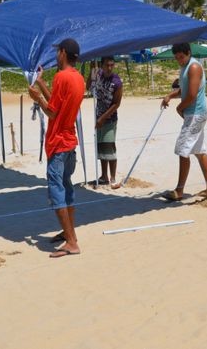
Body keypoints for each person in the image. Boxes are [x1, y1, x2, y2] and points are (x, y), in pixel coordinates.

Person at [28, 38, 85, 258]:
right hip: (69, 142)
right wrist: (42, 84)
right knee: (67, 186)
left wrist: (37, 97)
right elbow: (58, 106)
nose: (56, 55)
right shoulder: (77, 78)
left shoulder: (62, 77)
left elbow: (52, 112)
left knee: (56, 190)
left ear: (63, 53)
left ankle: (71, 242)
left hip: (59, 142)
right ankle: (69, 233)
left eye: (57, 51)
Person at [161, 42, 207, 201]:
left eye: (181, 57)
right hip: (194, 114)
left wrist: (179, 108)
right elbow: (184, 90)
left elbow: (191, 95)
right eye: (177, 58)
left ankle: (179, 190)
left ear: (188, 53)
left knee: (182, 149)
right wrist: (170, 95)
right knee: (198, 151)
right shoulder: (185, 67)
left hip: (195, 114)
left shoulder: (194, 67)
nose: (179, 60)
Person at [86, 56, 123, 187]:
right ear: (102, 65)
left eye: (112, 65)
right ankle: (103, 176)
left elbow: (116, 104)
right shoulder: (99, 74)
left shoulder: (117, 82)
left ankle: (112, 177)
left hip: (109, 119)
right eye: (107, 65)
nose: (109, 68)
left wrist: (103, 118)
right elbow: (88, 86)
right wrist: (91, 73)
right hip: (98, 116)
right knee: (101, 147)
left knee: (109, 147)